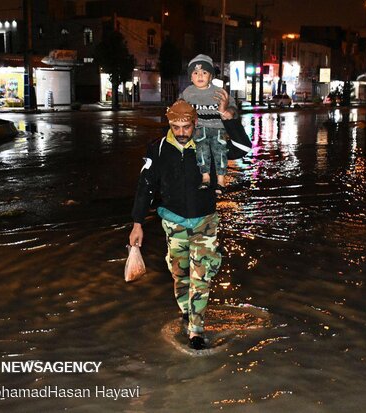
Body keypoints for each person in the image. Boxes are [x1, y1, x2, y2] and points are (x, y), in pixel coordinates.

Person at [129, 100, 224, 350]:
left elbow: (242, 147)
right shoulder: (157, 149)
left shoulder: (209, 146)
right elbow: (145, 187)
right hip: (173, 224)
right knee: (179, 272)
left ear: (195, 123)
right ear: (169, 123)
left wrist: (230, 118)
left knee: (201, 276)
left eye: (186, 127)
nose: (181, 132)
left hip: (205, 222)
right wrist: (137, 223)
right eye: (175, 126)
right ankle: (186, 309)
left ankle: (196, 329)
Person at [180, 54, 237, 194]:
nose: (200, 76)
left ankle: (221, 180)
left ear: (211, 76)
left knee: (220, 151)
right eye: (195, 73)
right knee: (201, 150)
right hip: (199, 129)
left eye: (204, 72)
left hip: (218, 128)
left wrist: (229, 111)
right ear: (191, 77)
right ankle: (205, 177)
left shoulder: (218, 92)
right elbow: (180, 105)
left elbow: (233, 106)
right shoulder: (187, 93)